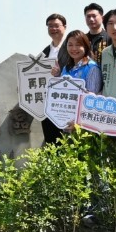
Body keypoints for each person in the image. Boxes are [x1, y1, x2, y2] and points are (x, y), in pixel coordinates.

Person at [39, 14, 69, 145]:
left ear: (65, 27)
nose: (53, 29)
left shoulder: (72, 47)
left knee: (67, 144)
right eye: (50, 26)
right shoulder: (45, 52)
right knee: (51, 143)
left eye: (56, 25)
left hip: (67, 105)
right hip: (49, 105)